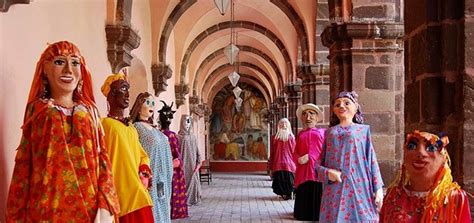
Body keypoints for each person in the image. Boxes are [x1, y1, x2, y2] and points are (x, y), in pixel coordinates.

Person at [6, 41, 120, 222]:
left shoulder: (90, 112)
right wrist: (15, 214)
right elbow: (24, 163)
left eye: (75, 63)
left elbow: (103, 159)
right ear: (45, 68)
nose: (68, 69)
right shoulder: (37, 110)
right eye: (59, 62)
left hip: (88, 210)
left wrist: (107, 202)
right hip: (46, 209)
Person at [315, 91, 383, 222]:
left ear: (356, 107)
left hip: (359, 185)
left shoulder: (363, 131)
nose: (342, 106)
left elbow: (371, 160)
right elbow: (318, 164)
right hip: (334, 187)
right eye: (337, 104)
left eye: (347, 103)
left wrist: (378, 188)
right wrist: (328, 173)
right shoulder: (329, 133)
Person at [380, 131, 471, 222]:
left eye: (431, 148)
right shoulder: (392, 196)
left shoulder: (454, 197)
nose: (420, 153)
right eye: (412, 146)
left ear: (443, 159)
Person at [101, 74, 154, 222]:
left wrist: (144, 170)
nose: (127, 93)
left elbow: (142, 155)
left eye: (128, 89)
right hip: (120, 195)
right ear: (111, 94)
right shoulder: (104, 125)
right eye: (123, 88)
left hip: (138, 193)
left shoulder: (130, 127)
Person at [130, 92, 173, 223]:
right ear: (139, 105)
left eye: (153, 103)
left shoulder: (154, 129)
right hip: (150, 179)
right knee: (153, 211)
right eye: (147, 102)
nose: (151, 106)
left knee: (163, 209)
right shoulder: (135, 128)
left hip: (163, 178)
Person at [293, 103, 325, 221]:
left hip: (316, 170)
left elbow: (326, 151)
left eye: (311, 114)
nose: (308, 117)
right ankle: (302, 213)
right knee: (304, 191)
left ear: (317, 117)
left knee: (317, 191)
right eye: (305, 114)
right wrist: (298, 159)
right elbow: (295, 151)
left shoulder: (322, 133)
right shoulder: (300, 134)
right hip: (303, 170)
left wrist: (310, 156)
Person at [159, 101, 189, 219]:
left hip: (162, 167)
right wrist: (178, 163)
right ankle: (174, 211)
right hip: (173, 167)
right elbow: (177, 153)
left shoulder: (158, 133)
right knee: (173, 190)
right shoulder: (171, 135)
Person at [178, 115, 203, 205]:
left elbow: (197, 150)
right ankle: (185, 199)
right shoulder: (179, 137)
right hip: (184, 164)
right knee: (185, 182)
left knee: (194, 181)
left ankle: (194, 198)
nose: (188, 124)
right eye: (186, 121)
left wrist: (198, 162)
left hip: (193, 164)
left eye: (189, 121)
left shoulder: (193, 137)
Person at [269, 118, 296, 200]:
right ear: (278, 125)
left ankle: (288, 193)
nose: (284, 125)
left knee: (288, 180)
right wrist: (271, 164)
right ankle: (284, 193)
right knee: (281, 179)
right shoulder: (274, 138)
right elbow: (272, 152)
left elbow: (294, 151)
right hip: (279, 162)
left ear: (288, 125)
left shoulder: (291, 138)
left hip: (288, 163)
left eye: (285, 123)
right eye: (282, 123)